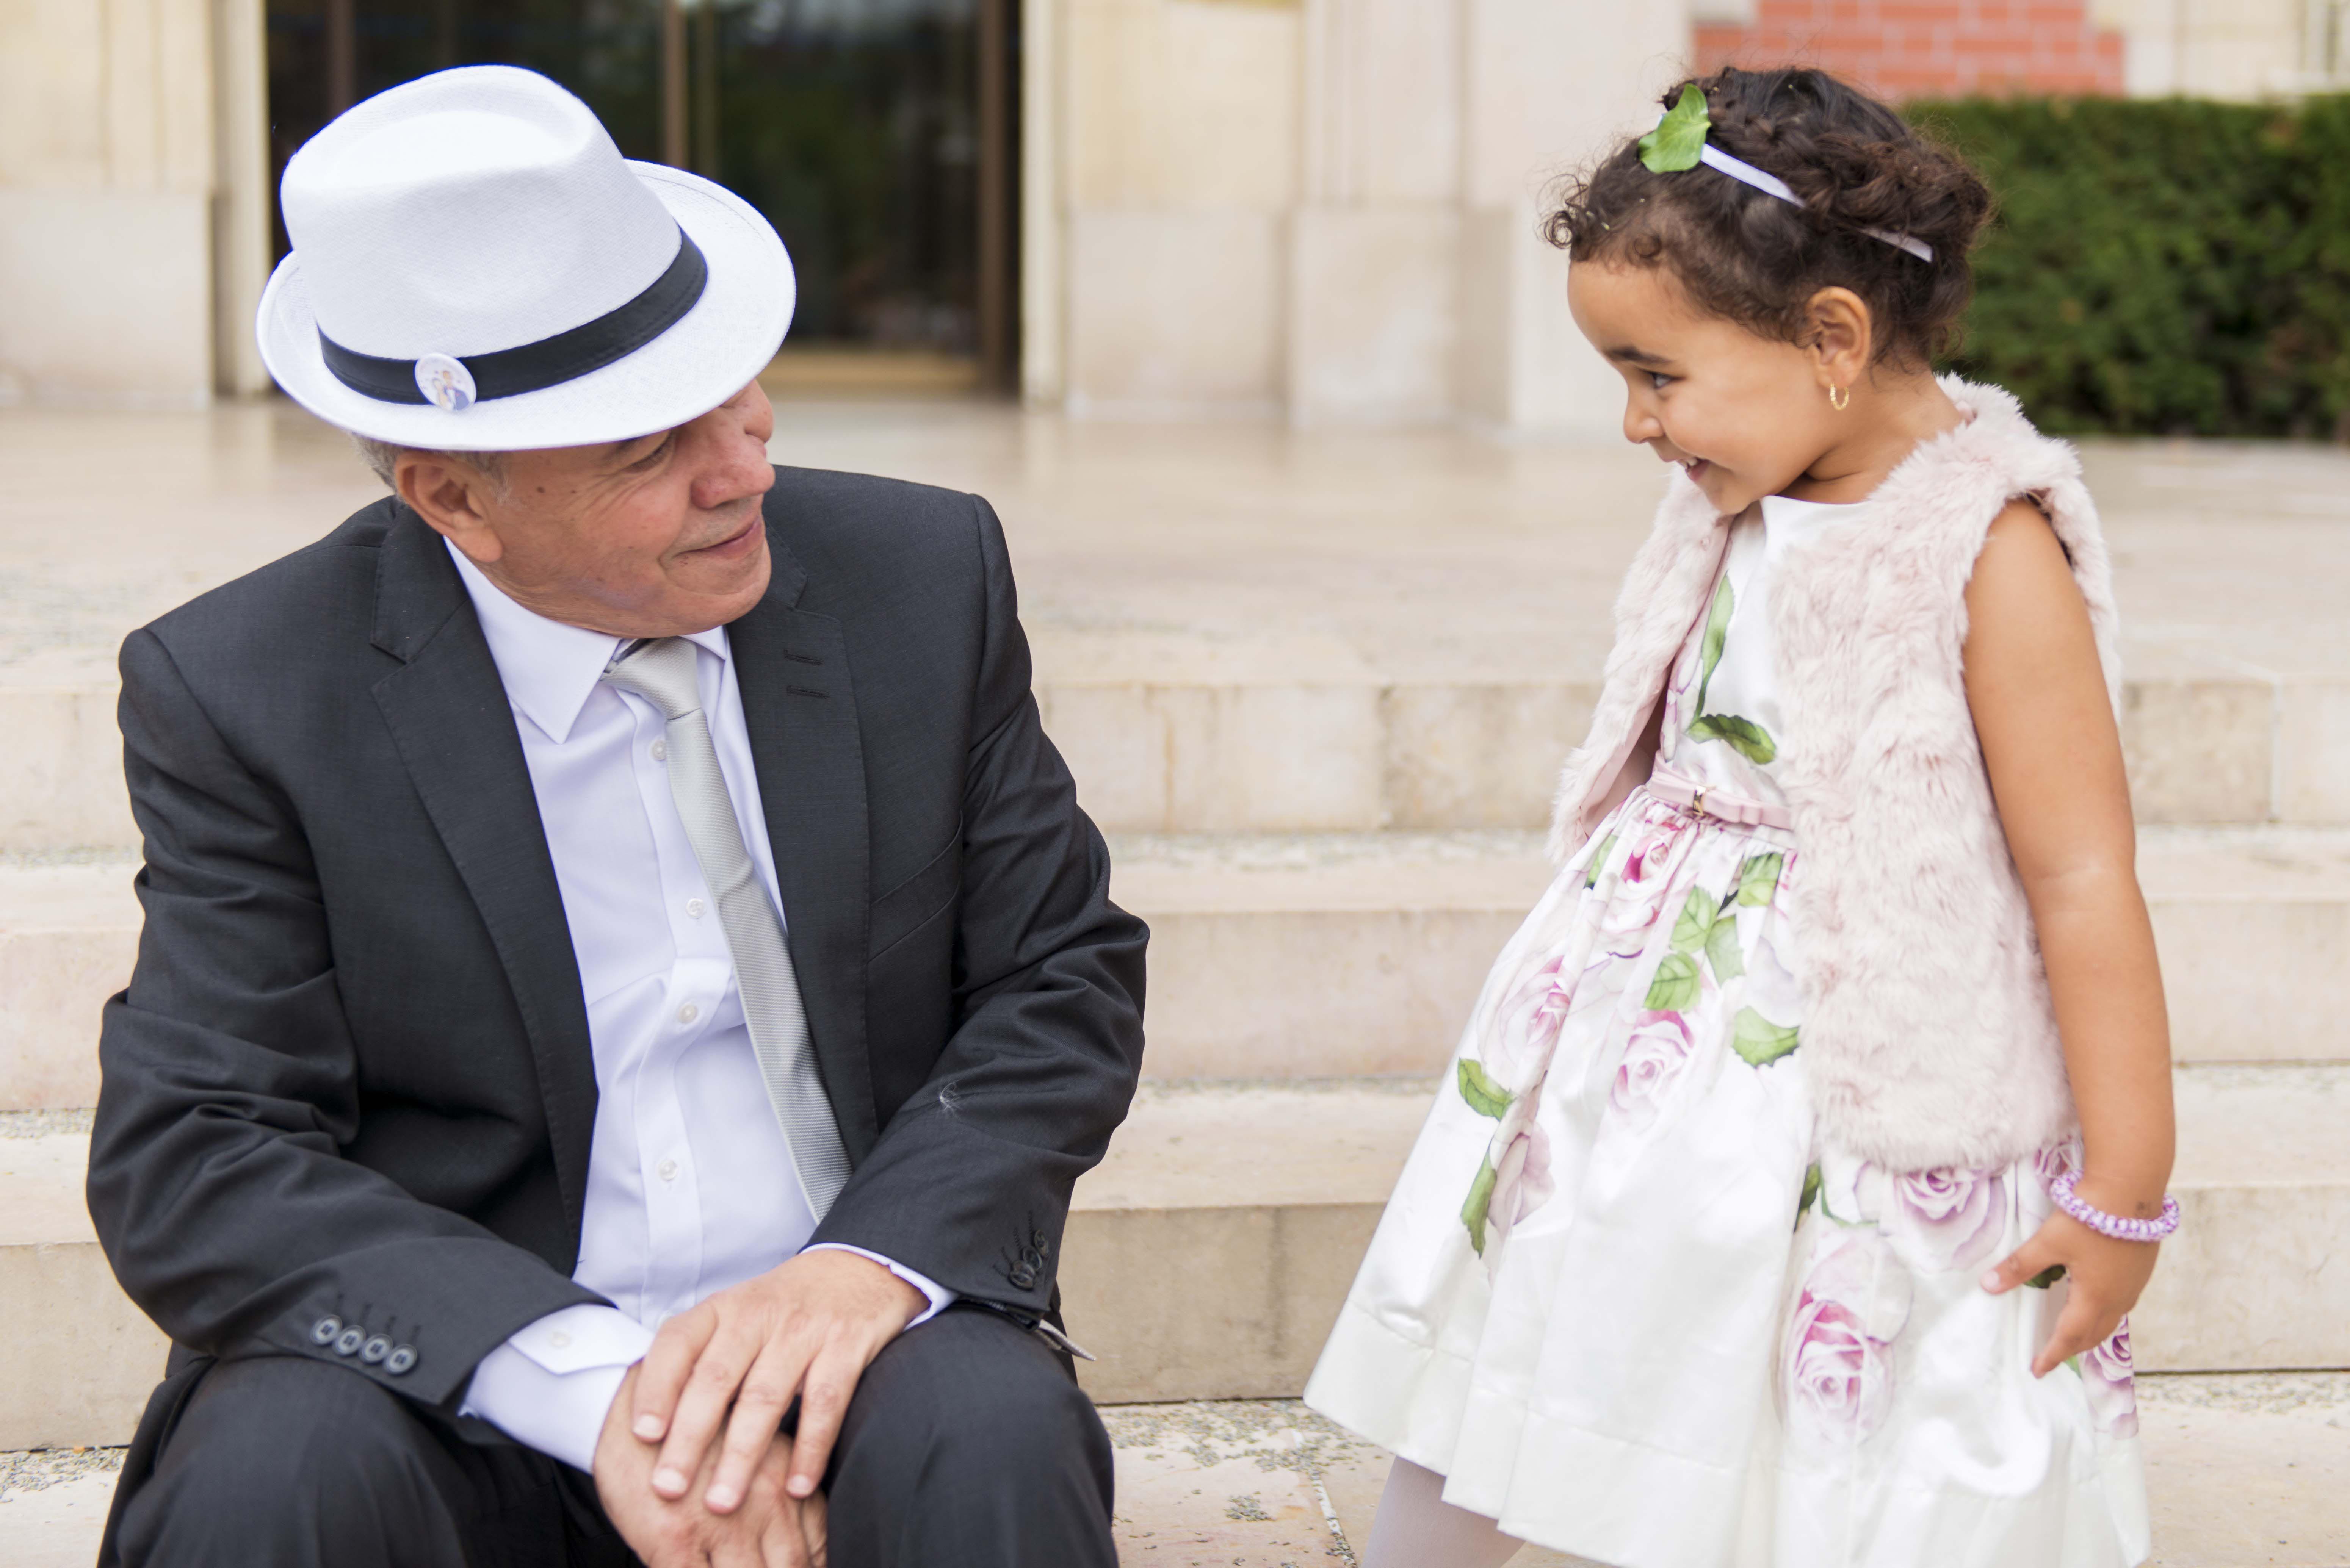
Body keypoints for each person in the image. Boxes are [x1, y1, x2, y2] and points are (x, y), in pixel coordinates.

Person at [86, 66, 1146, 1568]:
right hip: (466, 1373)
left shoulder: (921, 580)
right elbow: (198, 1145)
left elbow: (1058, 980)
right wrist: (588, 1393)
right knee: (273, 1478)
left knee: (990, 1433)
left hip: (846, 1344)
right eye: (650, 450)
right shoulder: (247, 689)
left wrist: (867, 1266)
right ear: (454, 499)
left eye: (732, 389)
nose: (744, 468)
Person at [1305, 67, 2171, 1568]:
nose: (1636, 423)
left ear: (1831, 339)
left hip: (1856, 1067)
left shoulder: (1987, 551)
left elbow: (2083, 874)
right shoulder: (1744, 486)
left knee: (1804, 1406)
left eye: (1657, 375)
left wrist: (2125, 1192)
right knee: (1534, 1322)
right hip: (1632, 1047)